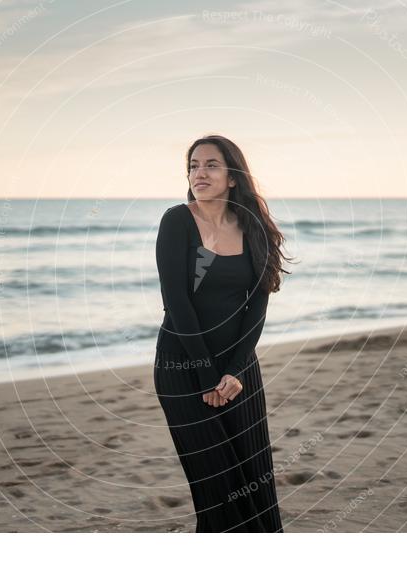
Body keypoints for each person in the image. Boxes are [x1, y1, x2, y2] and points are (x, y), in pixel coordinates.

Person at [153, 134, 293, 532]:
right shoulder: (177, 221)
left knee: (256, 484)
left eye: (211, 164)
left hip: (238, 372)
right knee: (217, 493)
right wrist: (206, 376)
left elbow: (258, 306)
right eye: (194, 166)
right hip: (183, 370)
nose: (200, 172)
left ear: (233, 176)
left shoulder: (254, 227)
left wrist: (233, 372)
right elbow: (176, 303)